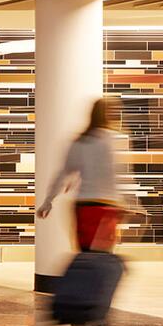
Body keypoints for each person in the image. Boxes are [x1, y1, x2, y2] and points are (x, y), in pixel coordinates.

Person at [37, 95, 137, 253]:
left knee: (85, 255)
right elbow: (122, 174)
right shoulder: (118, 138)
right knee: (101, 256)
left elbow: (63, 173)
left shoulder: (79, 141)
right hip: (106, 207)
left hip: (83, 206)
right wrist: (131, 201)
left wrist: (48, 200)